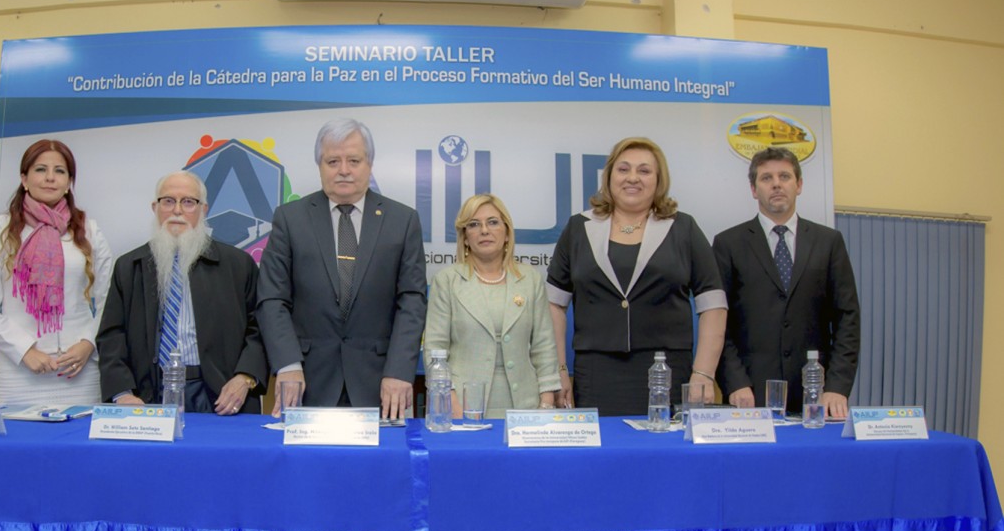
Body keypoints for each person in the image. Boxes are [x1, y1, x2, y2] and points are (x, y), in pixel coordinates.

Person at [257, 118, 426, 419]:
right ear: (320, 165)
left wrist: (400, 371)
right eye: (332, 160)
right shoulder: (290, 219)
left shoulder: (402, 221)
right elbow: (272, 298)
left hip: (381, 384)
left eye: (354, 160)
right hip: (306, 382)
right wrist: (288, 364)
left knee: (380, 467)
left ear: (369, 164)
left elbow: (412, 301)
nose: (344, 169)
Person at [546, 136, 727, 415]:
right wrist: (558, 369)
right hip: (596, 374)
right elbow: (554, 305)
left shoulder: (683, 228)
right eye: (623, 169)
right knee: (603, 456)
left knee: (664, 455)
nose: (633, 178)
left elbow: (713, 303)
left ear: (658, 179)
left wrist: (704, 373)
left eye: (644, 170)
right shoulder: (578, 228)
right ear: (609, 177)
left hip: (667, 371)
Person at [96, 171, 266, 414]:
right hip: (147, 396)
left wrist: (244, 378)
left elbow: (259, 329)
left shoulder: (238, 265)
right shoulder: (129, 266)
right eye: (168, 201)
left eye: (188, 202)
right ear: (155, 207)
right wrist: (122, 393)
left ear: (203, 209)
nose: (177, 210)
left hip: (222, 396)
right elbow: (112, 336)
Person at [713, 147, 860, 418]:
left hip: (816, 394)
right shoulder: (728, 244)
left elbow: (847, 319)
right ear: (754, 189)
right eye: (766, 178)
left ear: (799, 184)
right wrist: (735, 382)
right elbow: (719, 322)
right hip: (750, 394)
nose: (777, 184)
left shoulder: (828, 242)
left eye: (785, 176)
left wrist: (837, 386)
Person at [0, 139, 114, 406]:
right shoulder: (1, 230)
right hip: (20, 370)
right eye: (40, 170)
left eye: (60, 171)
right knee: (19, 445)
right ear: (24, 178)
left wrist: (88, 344)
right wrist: (24, 350)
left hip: (77, 369)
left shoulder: (88, 230)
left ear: (69, 181)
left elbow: (110, 298)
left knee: (79, 443)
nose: (50, 178)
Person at [423, 194, 559, 418]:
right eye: (474, 225)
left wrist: (546, 403)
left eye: (493, 222)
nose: (484, 230)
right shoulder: (446, 281)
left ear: (507, 233)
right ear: (465, 238)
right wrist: (450, 403)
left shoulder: (530, 280)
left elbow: (544, 346)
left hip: (526, 407)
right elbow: (434, 349)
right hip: (463, 407)